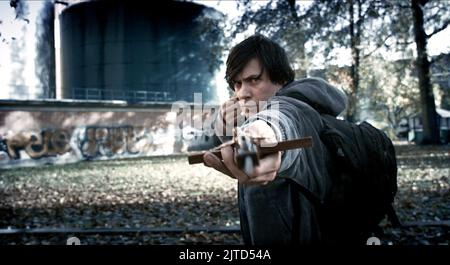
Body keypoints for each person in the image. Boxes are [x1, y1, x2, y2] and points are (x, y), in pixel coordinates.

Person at [202, 34, 347, 245]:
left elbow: (282, 122)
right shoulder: (253, 113)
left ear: (280, 79)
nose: (242, 93)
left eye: (254, 80)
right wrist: (225, 126)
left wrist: (265, 136)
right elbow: (235, 142)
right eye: (237, 83)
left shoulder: (295, 108)